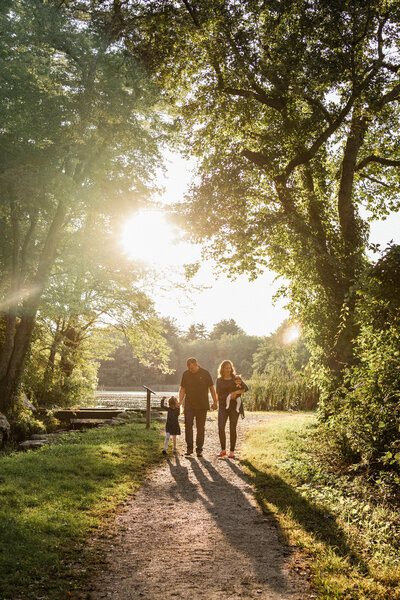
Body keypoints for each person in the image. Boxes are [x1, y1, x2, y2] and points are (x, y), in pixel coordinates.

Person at [179, 357, 217, 457]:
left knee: (200, 428)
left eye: (192, 368)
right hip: (189, 405)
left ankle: (199, 449)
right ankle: (189, 448)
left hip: (202, 405)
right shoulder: (185, 374)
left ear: (196, 364)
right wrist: (180, 401)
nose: (191, 370)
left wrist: (215, 401)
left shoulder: (205, 373)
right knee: (188, 426)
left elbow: (212, 389)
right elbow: (182, 389)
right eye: (189, 369)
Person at [216, 360, 248, 458]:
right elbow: (218, 393)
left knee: (232, 428)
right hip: (223, 406)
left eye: (230, 368)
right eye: (226, 368)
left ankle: (232, 452)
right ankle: (223, 450)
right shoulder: (219, 380)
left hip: (234, 407)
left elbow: (246, 388)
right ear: (222, 369)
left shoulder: (235, 378)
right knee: (221, 427)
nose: (228, 370)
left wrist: (236, 393)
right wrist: (228, 395)